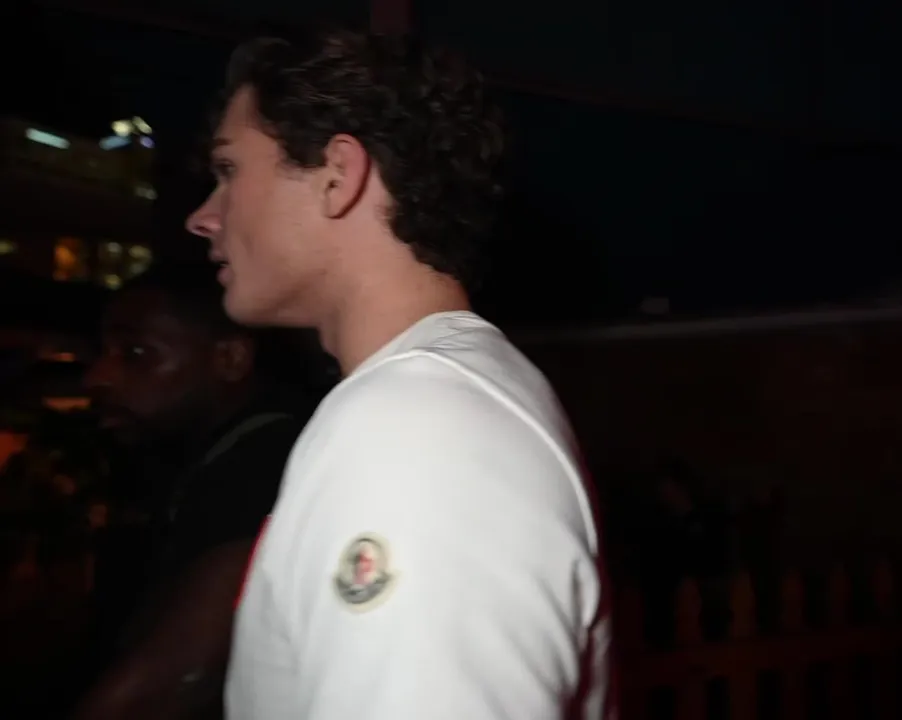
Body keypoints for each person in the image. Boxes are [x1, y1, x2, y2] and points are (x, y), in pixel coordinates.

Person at [185, 29, 613, 719]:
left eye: (230, 170)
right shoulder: (437, 401)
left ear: (337, 174)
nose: (203, 217)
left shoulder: (417, 429)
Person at [74, 266, 306, 720]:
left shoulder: (262, 460)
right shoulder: (207, 458)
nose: (97, 377)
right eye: (102, 353)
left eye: (135, 353)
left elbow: (175, 680)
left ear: (231, 358)